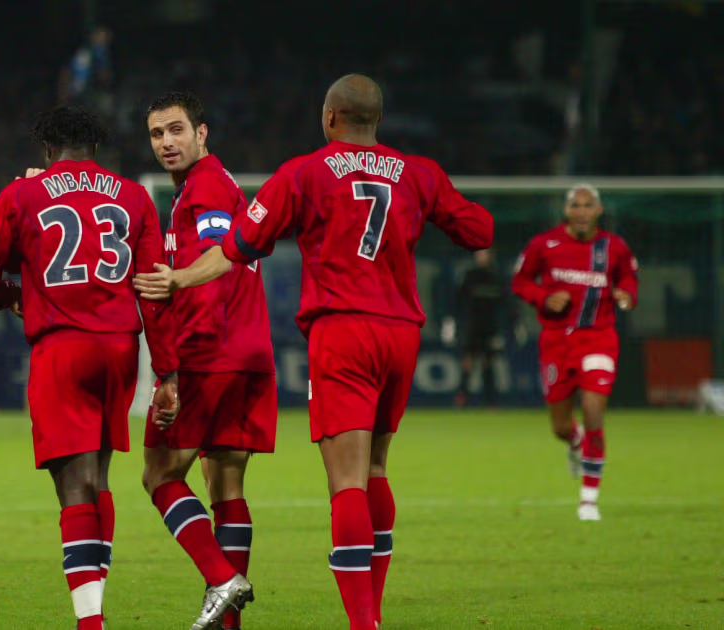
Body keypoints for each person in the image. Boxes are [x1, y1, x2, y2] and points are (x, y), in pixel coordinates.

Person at [136, 74, 494, 630]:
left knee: (345, 482)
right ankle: (368, 614)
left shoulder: (303, 173)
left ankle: (361, 623)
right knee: (374, 468)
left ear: (329, 118)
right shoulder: (418, 173)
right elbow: (479, 230)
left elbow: (233, 248)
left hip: (341, 330)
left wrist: (179, 280)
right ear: (377, 120)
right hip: (401, 331)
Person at [0, 106, 181, 630]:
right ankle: (94, 611)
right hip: (119, 351)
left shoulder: (23, 194)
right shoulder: (133, 196)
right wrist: (168, 372)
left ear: (46, 150)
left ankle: (89, 623)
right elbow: (153, 290)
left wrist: (14, 294)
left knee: (74, 488)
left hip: (63, 348)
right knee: (98, 477)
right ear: (97, 149)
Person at [139, 91, 271, 630]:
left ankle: (221, 577)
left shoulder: (207, 187)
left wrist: (171, 369)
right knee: (226, 487)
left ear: (202, 132)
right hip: (250, 351)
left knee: (158, 475)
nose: (167, 142)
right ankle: (227, 623)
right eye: (156, 134)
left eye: (176, 130)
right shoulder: (208, 185)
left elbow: (222, 260)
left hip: (211, 351)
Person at [511, 184, 638, 522]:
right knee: (559, 426)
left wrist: (626, 294)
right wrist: (543, 298)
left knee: (595, 411)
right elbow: (520, 281)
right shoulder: (545, 244)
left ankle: (588, 500)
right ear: (566, 211)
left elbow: (628, 278)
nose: (581, 211)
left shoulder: (614, 247)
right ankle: (574, 438)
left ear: (598, 210)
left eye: (588, 205)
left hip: (598, 339)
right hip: (556, 342)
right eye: (575, 205)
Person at [450, 249, 510, 407]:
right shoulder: (469, 276)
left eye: (484, 254)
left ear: (491, 256)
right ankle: (463, 396)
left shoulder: (496, 277)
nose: (481, 257)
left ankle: (489, 400)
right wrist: (451, 321)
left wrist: (512, 324)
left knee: (488, 361)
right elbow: (457, 301)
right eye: (479, 254)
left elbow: (507, 303)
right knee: (468, 360)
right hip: (472, 325)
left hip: (490, 326)